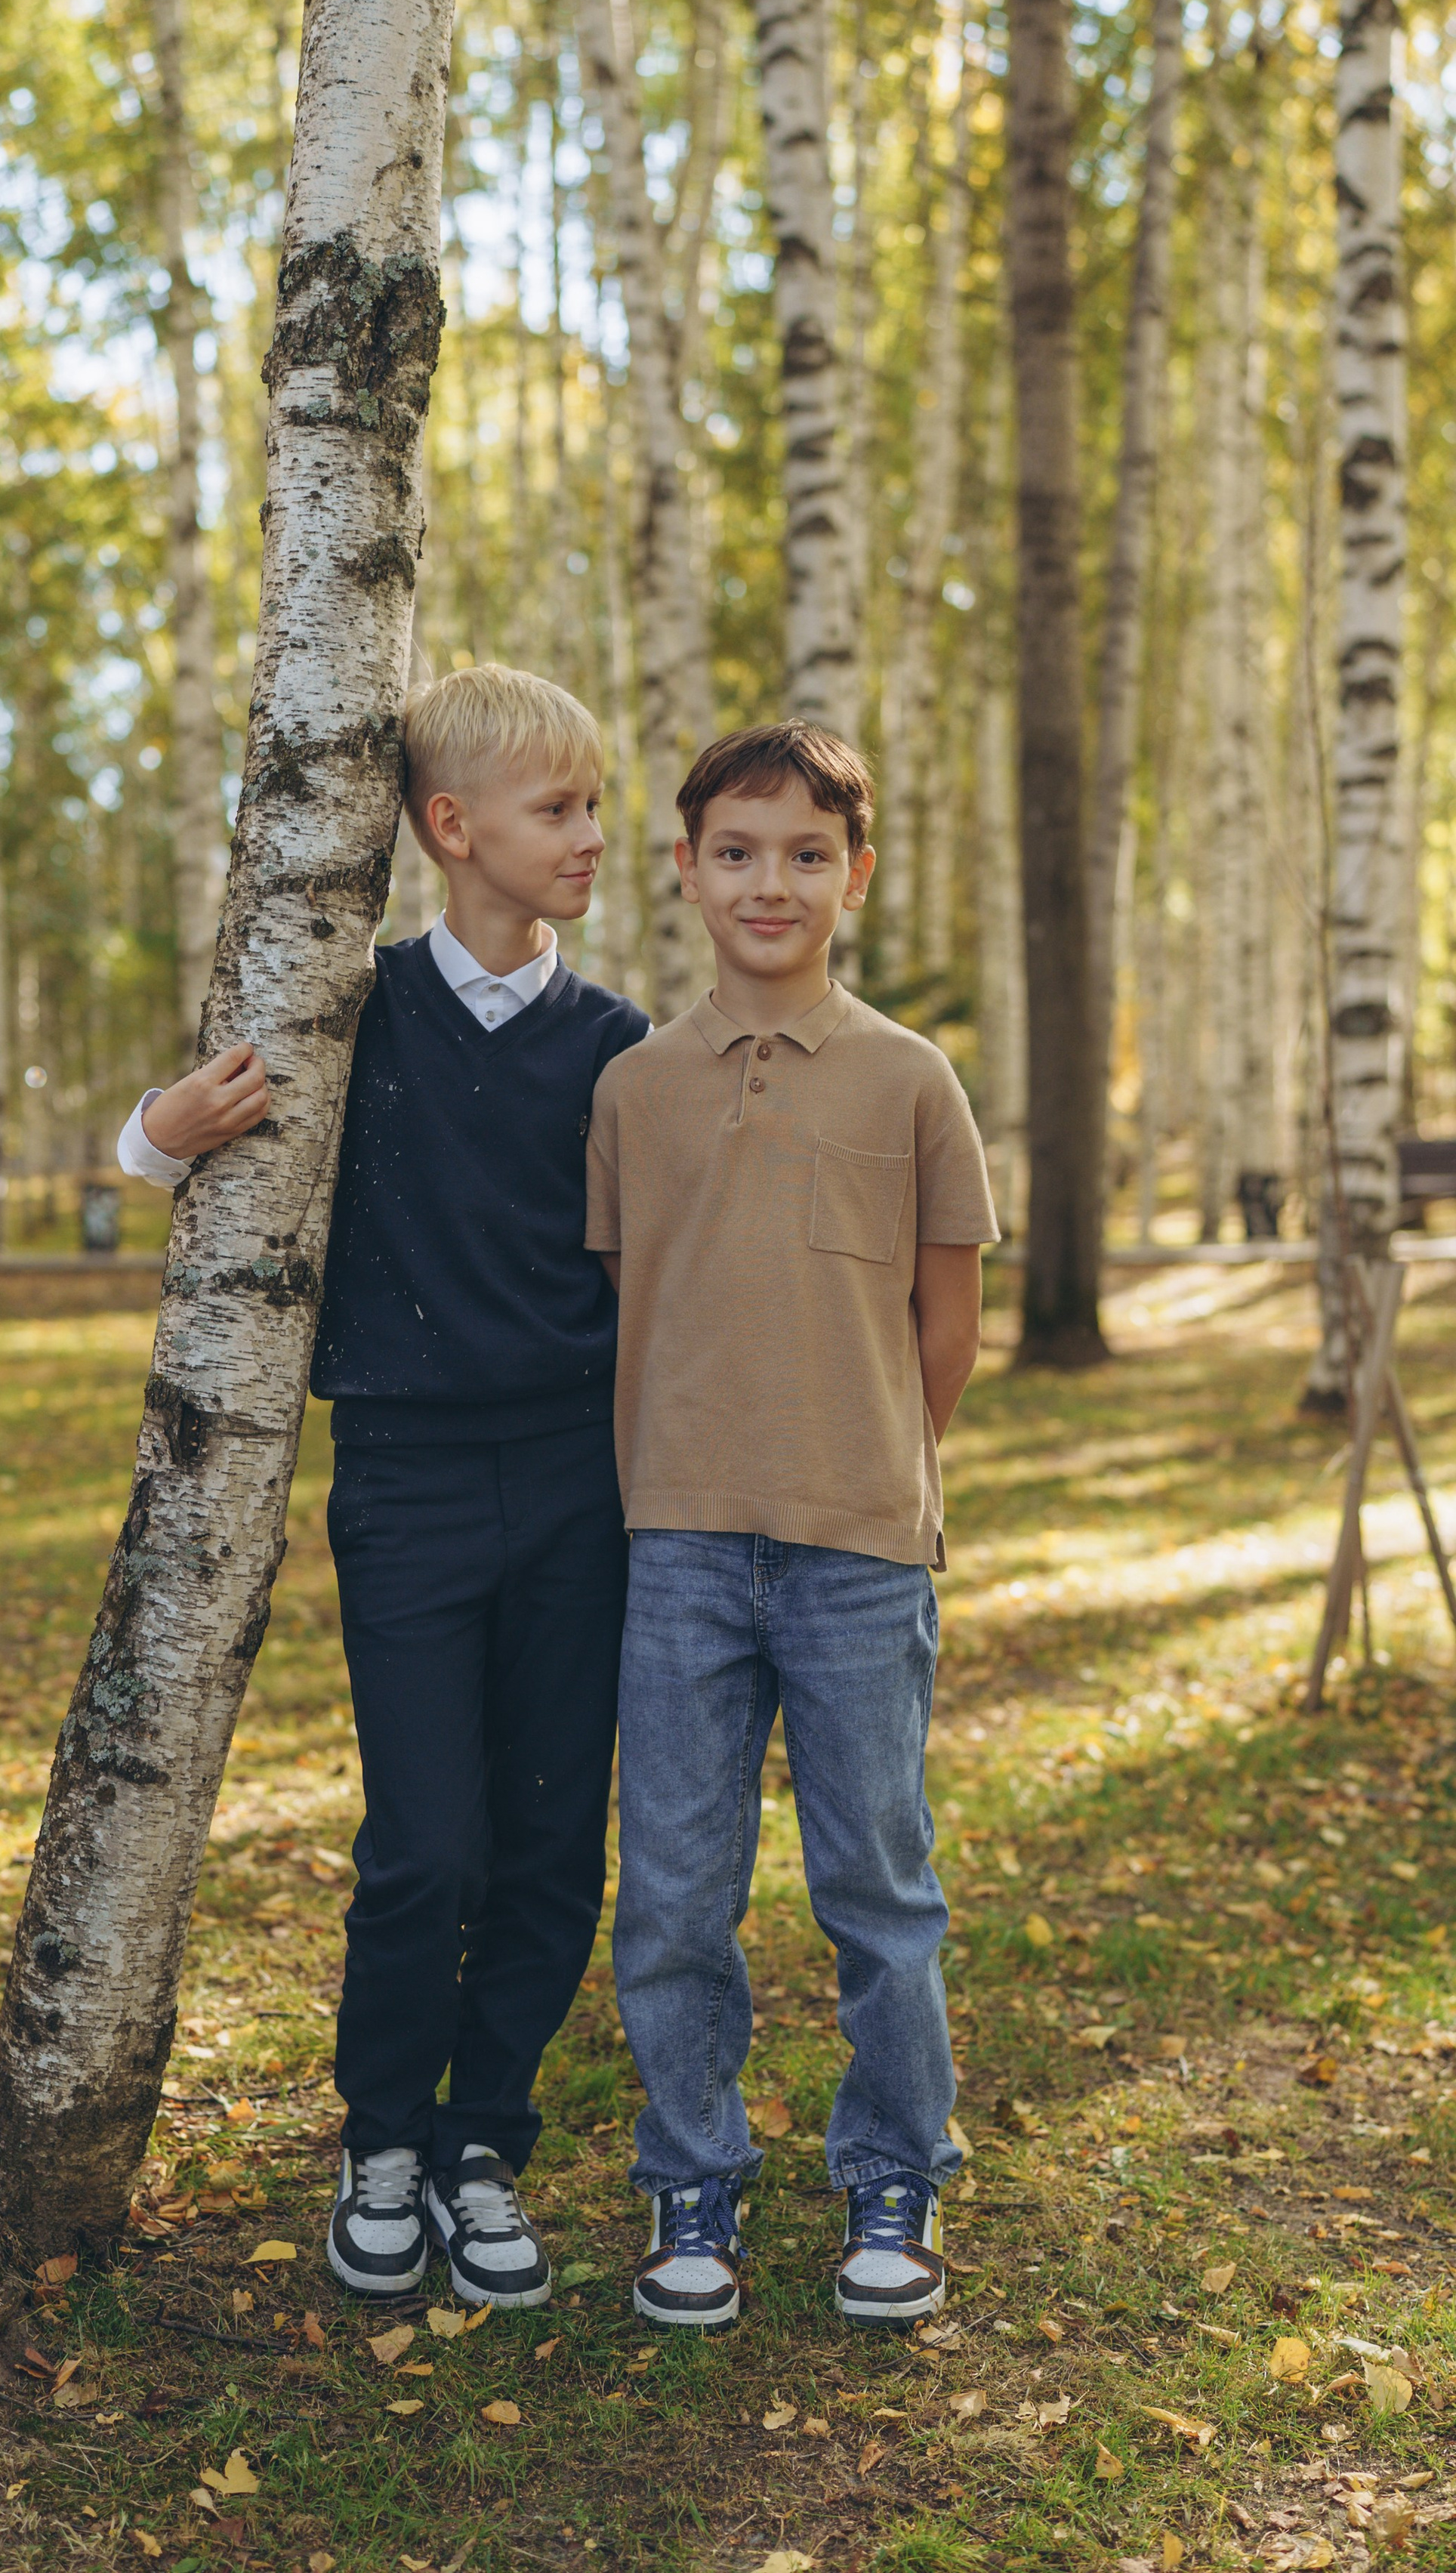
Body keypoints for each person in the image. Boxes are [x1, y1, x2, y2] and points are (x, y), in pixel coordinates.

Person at [117, 666, 648, 2312]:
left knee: (555, 1838)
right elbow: (187, 1142)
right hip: (406, 1481)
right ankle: (384, 2141)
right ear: (448, 828)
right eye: (556, 811)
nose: (589, 839)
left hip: (580, 1482)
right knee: (426, 1840)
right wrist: (153, 1134)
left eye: (593, 810)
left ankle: (485, 2140)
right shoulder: (353, 1014)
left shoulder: (617, 1045)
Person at [585, 718, 998, 2332]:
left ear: (854, 877)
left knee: (875, 1887)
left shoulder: (911, 1080)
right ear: (683, 870)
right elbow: (638, 1312)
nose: (772, 881)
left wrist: (861, 1470)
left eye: (806, 853)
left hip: (857, 1551)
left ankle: (891, 2172)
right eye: (737, 851)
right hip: (676, 1546)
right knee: (676, 1889)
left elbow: (942, 1328)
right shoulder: (630, 1088)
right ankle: (691, 2179)